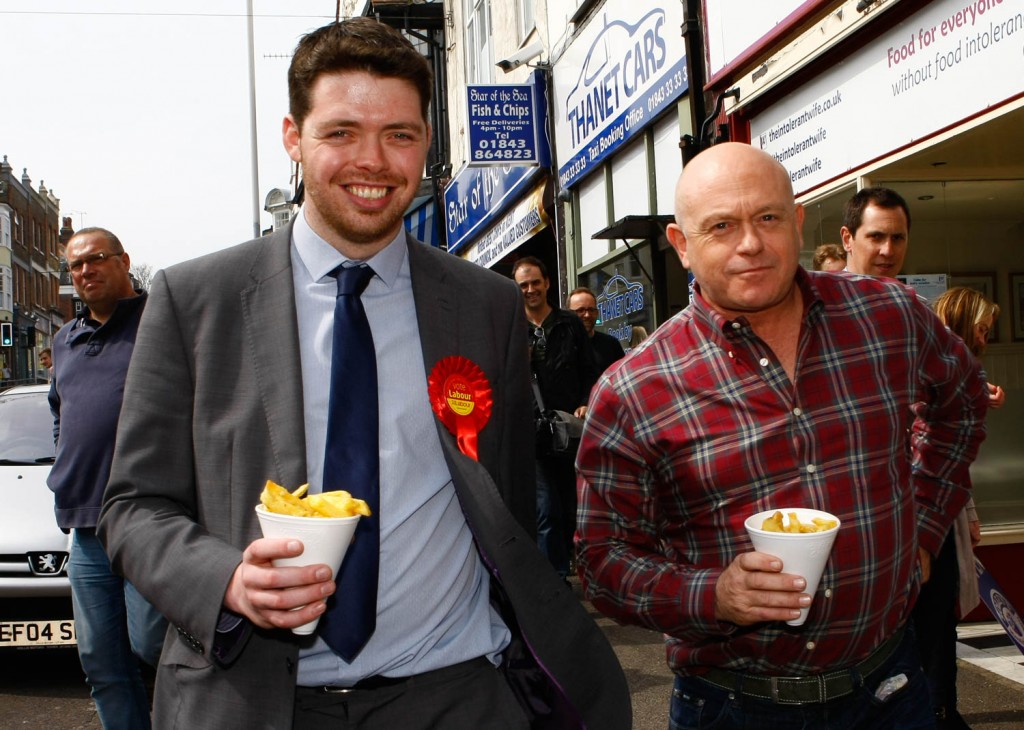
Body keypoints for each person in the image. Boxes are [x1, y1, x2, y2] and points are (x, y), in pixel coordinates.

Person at [98, 19, 628, 730]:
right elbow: (133, 508)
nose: (373, 161)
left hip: (456, 695)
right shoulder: (196, 302)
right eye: (342, 132)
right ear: (294, 137)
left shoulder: (487, 305)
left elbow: (498, 494)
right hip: (258, 702)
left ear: (426, 142)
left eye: (400, 135)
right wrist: (225, 580)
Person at [575, 143, 988, 728]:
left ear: (796, 222)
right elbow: (602, 560)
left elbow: (964, 404)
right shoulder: (634, 390)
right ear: (681, 246)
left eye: (767, 218)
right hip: (733, 706)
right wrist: (713, 595)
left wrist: (924, 525)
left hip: (890, 689)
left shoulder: (888, 315)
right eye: (721, 226)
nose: (750, 244)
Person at [47, 227, 167, 729]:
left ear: (124, 261)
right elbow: (61, 412)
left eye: (95, 259)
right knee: (100, 659)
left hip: (149, 518)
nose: (84, 272)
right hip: (86, 527)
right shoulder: (65, 339)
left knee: (153, 645)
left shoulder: (161, 324)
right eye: (75, 266)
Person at [917, 286, 1004, 730]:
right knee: (935, 623)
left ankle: (940, 709)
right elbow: (941, 454)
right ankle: (939, 712)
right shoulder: (942, 372)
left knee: (936, 623)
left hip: (942, 513)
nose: (986, 337)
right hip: (931, 519)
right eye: (983, 328)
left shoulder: (952, 370)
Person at [513, 257, 598, 579]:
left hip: (569, 431)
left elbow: (590, 369)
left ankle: (576, 566)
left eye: (535, 282)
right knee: (546, 508)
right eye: (523, 285)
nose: (530, 290)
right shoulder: (511, 325)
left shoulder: (569, 323)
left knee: (571, 505)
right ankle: (555, 580)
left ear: (547, 283)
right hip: (531, 432)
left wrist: (585, 401)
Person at [839, 186, 911, 278]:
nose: (888, 251)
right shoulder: (826, 292)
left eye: (897, 238)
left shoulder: (908, 293)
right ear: (847, 239)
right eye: (876, 236)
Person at [568, 286, 625, 374]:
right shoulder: (560, 347)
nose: (587, 315)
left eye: (591, 310)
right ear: (568, 314)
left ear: (597, 312)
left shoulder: (611, 345)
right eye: (580, 310)